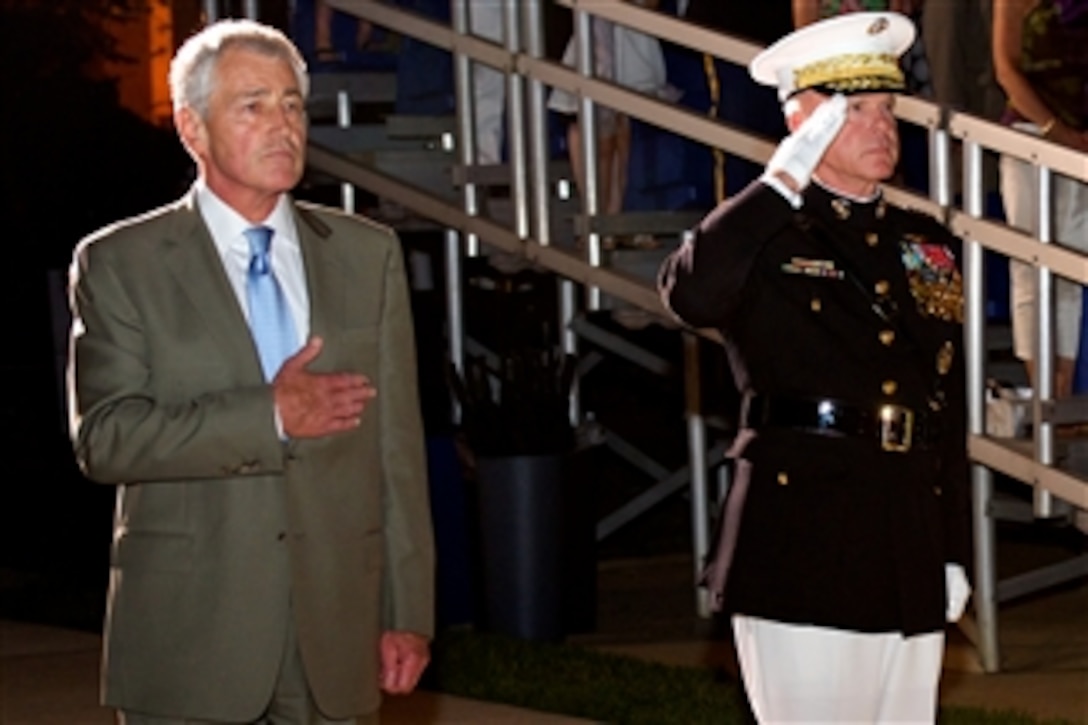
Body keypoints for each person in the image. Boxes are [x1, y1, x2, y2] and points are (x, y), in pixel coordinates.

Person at [66, 19, 435, 724]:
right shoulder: (121, 264)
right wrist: (269, 415)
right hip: (190, 640)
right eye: (254, 105)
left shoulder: (368, 255)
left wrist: (407, 612)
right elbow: (106, 438)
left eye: (293, 103)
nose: (283, 124)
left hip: (334, 635)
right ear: (192, 128)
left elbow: (397, 454)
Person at [658, 12, 971, 721]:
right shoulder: (762, 235)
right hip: (804, 541)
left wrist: (951, 545)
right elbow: (692, 294)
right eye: (855, 110)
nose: (881, 125)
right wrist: (779, 182)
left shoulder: (922, 242)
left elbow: (941, 406)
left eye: (887, 108)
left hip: (906, 538)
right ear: (805, 120)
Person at [992, 0, 1088, 398]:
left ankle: (1062, 391)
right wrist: (1057, 132)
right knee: (1032, 268)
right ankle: (1044, 389)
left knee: (1070, 270)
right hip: (1031, 135)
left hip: (1084, 142)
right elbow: (1006, 69)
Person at [548, 0, 676, 247]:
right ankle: (596, 219)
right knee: (590, 122)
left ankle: (614, 220)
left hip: (630, 32)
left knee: (622, 124)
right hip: (584, 29)